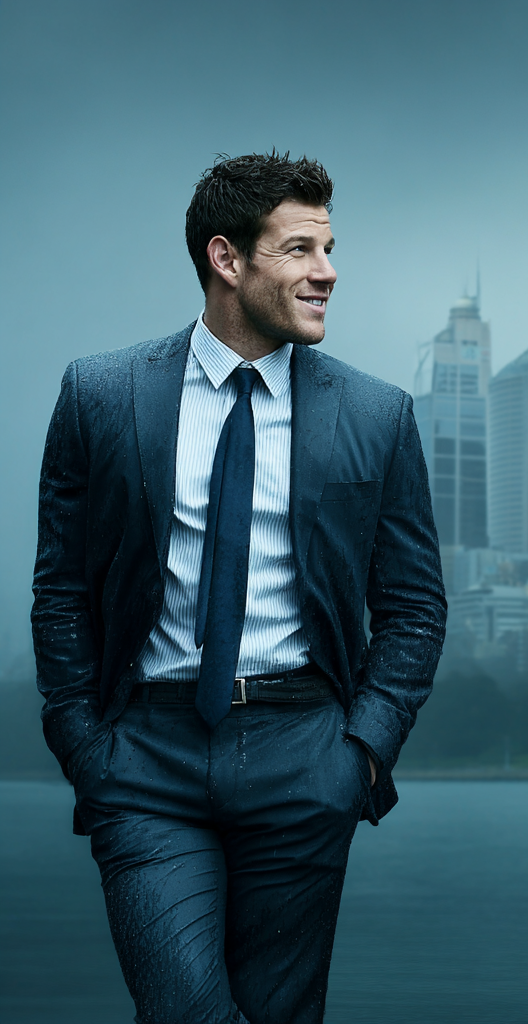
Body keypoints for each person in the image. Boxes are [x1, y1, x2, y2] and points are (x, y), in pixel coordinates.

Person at [31, 152, 446, 1024]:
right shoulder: (101, 396)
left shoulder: (378, 415)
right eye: (299, 250)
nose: (327, 272)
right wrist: (83, 744)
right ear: (228, 260)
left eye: (329, 248)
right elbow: (61, 589)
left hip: (307, 754)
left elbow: (413, 606)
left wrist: (361, 750)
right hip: (143, 757)